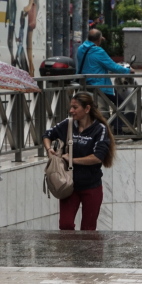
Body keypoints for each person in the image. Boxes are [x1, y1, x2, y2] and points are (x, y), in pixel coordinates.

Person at [42, 92, 115, 231]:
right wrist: (48, 149)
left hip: (91, 185)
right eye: (71, 107)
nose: (71, 110)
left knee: (88, 229)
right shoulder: (68, 124)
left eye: (75, 107)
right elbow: (47, 134)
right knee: (65, 225)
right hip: (69, 186)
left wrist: (72, 160)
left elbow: (97, 157)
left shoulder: (100, 129)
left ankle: (86, 247)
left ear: (87, 109)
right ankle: (69, 246)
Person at [76, 28, 133, 130]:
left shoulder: (81, 49)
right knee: (121, 102)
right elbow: (113, 67)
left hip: (85, 84)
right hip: (100, 85)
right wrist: (128, 70)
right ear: (99, 39)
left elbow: (93, 63)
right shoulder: (98, 51)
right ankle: (117, 129)